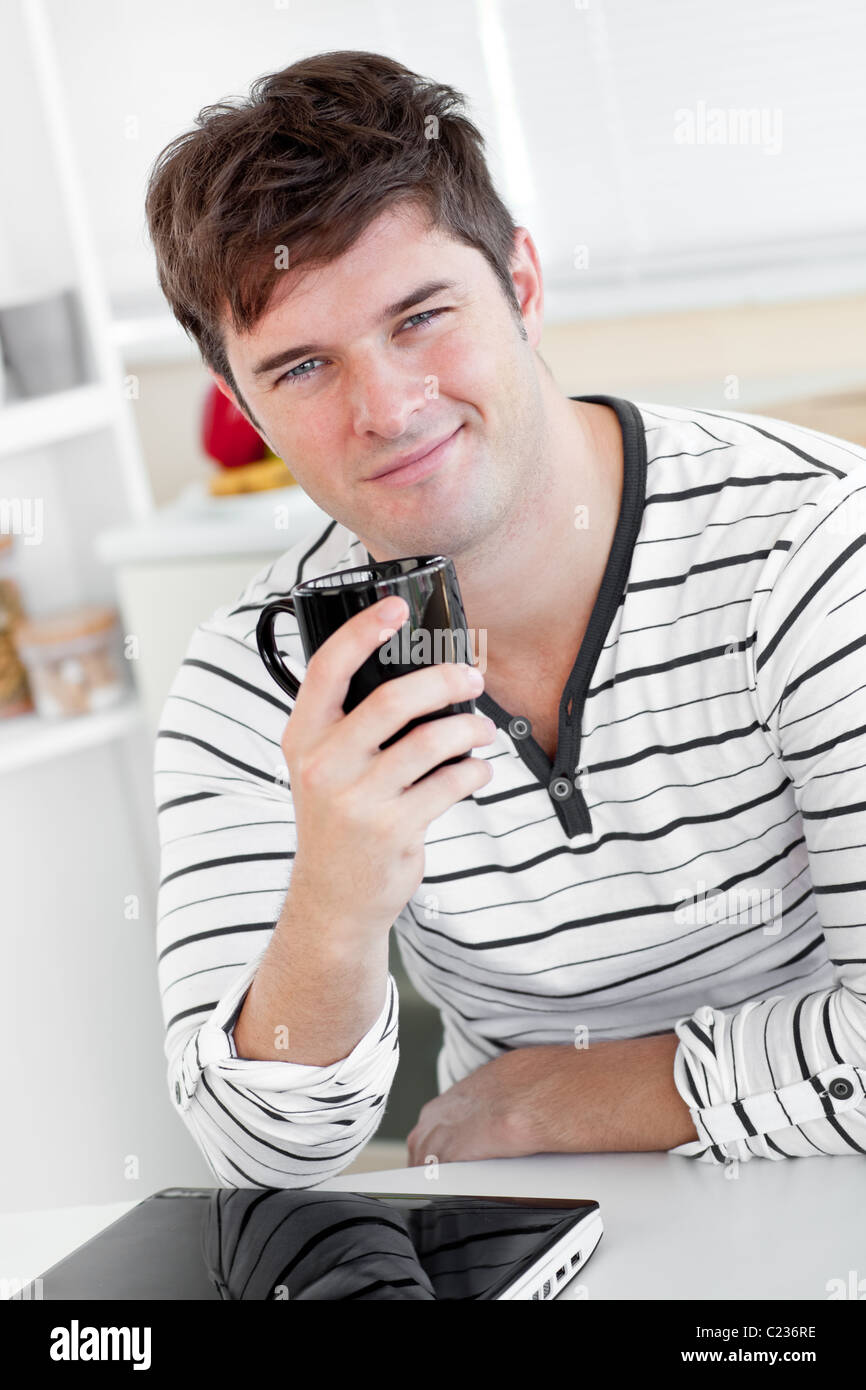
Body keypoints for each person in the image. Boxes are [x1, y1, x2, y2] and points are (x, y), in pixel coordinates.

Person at [147, 50, 866, 1188]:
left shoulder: (813, 548)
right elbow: (262, 1151)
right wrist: (333, 898)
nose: (386, 408)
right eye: (300, 368)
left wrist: (577, 1095)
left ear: (522, 285)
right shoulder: (251, 678)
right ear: (244, 409)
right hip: (524, 1214)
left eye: (421, 317)